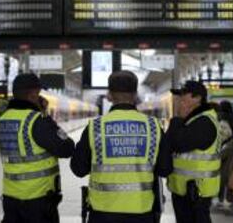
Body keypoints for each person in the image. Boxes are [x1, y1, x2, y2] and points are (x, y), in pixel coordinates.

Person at [70, 70, 172, 223]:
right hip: (142, 212)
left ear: (109, 95)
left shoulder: (95, 127)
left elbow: (78, 169)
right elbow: (165, 168)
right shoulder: (153, 126)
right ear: (135, 93)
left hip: (102, 213)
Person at [0, 73, 75, 223]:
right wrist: (45, 114)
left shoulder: (2, 120)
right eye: (39, 93)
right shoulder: (37, 121)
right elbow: (66, 148)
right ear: (33, 95)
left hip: (10, 197)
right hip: (38, 201)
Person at [166, 81, 221, 223]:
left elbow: (177, 143)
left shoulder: (204, 122)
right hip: (186, 190)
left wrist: (177, 117)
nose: (180, 99)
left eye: (184, 95)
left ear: (197, 98)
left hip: (196, 191)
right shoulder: (193, 121)